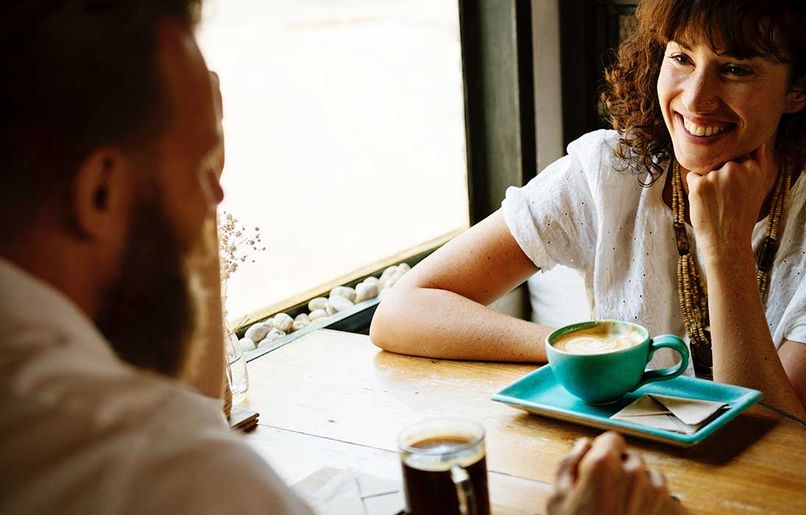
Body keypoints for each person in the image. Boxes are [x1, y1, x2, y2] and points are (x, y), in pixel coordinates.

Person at [0, 1, 679, 513]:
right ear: (99, 192)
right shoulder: (163, 468)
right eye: (202, 167)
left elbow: (191, 407)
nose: (218, 199)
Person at [371, 0, 806, 467]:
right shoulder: (609, 171)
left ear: (799, 90)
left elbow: (792, 451)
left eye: (735, 69)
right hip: (634, 459)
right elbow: (403, 311)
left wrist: (726, 250)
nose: (695, 99)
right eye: (682, 57)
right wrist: (588, 358)